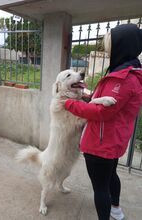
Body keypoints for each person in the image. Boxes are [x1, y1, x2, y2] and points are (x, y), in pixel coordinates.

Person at [63, 23, 142, 220]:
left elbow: (101, 113)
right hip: (113, 139)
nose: (108, 51)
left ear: (123, 46)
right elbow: (109, 106)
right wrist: (90, 96)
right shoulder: (128, 72)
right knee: (111, 175)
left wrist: (68, 104)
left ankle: (110, 211)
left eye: (110, 46)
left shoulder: (123, 79)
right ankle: (116, 209)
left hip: (101, 143)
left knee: (100, 188)